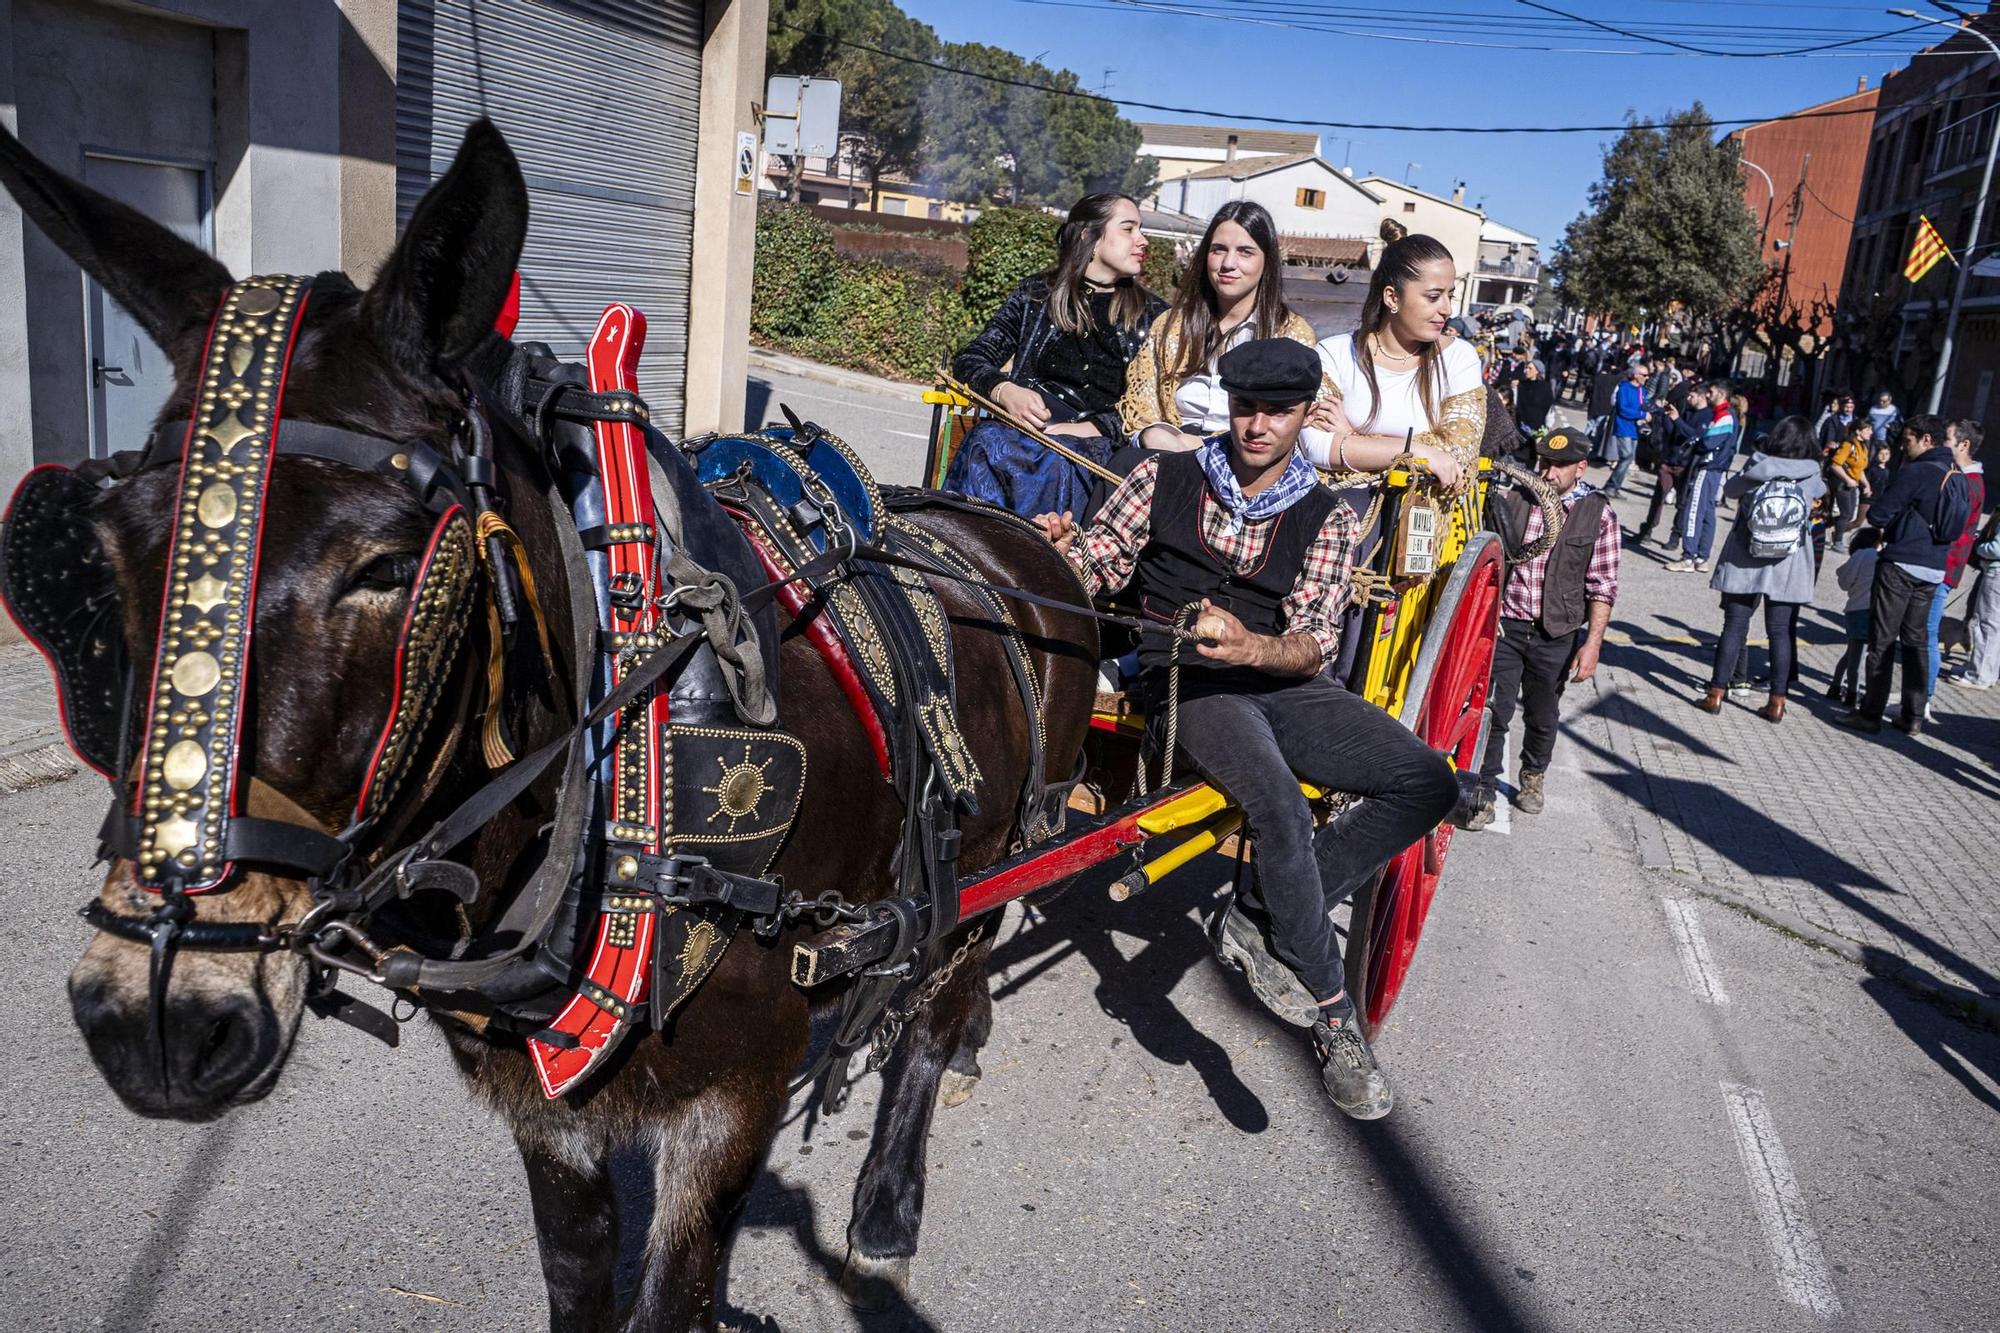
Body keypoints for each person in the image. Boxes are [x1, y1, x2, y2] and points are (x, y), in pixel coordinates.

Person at [1033, 338, 1458, 1121]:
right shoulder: (1164, 475)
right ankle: (1335, 1016)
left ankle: (1264, 902)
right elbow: (1097, 562)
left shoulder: (1325, 516)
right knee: (1278, 804)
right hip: (1188, 682)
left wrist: (1253, 646)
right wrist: (1060, 553)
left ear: (1305, 414)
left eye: (1278, 410)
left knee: (1430, 779)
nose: (1257, 424)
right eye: (1244, 407)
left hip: (1285, 682)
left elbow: (1315, 641)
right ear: (1227, 405)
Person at [943, 193, 1165, 517]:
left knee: (1060, 458)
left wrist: (1094, 428)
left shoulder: (1154, 315)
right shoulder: (1036, 295)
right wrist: (1006, 391)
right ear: (1089, 235)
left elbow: (1154, 408)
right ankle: (961, 554)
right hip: (1023, 434)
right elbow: (970, 359)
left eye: (1140, 229)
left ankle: (1037, 559)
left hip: (1098, 448)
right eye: (1129, 229)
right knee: (987, 438)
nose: (1142, 240)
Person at [1465, 426, 1618, 829]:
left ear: (1581, 468)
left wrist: (1593, 645)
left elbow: (1602, 586)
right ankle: (1482, 788)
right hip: (1507, 625)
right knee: (1493, 708)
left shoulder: (1597, 513)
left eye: (1558, 467)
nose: (1547, 473)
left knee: (1542, 711)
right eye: (1544, 463)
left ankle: (1533, 775)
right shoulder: (1515, 499)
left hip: (1556, 631)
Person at [1117, 201, 1321, 459]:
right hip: (1166, 452)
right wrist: (1153, 434)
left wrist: (1199, 447)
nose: (1228, 263)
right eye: (1219, 250)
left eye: (1245, 252)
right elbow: (1143, 409)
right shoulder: (1171, 325)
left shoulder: (1291, 334)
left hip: (1245, 459)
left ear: (1266, 261)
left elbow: (1295, 422)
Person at [1838, 413, 1971, 736]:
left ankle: (1870, 714)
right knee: (1917, 641)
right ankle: (1913, 716)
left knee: (1882, 640)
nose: (1903, 446)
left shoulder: (1917, 471)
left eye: (1908, 440)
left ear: (1927, 440)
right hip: (1934, 567)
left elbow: (1880, 514)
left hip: (1900, 565)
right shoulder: (1957, 475)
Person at [1693, 416, 1825, 723]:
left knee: (1734, 626)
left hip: (1746, 554)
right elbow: (1818, 496)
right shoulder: (1811, 472)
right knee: (1779, 632)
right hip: (1789, 560)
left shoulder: (1757, 464)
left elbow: (1731, 490)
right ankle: (1777, 701)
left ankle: (1715, 694)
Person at [1928, 419, 1986, 701]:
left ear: (1964, 445)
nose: (1942, 443)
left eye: (1947, 439)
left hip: (1942, 567)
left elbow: (1952, 529)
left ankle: (1921, 700)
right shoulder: (1962, 478)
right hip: (1941, 565)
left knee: (1927, 637)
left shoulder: (1968, 483)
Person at [1664, 381, 1742, 573]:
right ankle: (1701, 557)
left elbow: (1707, 442)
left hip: (1708, 468)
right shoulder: (1722, 415)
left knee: (1694, 511)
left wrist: (1699, 439)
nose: (1708, 395)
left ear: (1722, 394)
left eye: (1711, 392)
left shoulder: (1725, 415)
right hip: (1714, 469)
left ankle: (1688, 557)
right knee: (1707, 513)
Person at [1638, 380, 1711, 547]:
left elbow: (1694, 436)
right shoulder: (1687, 411)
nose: (1688, 397)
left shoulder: (1707, 415)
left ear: (1701, 397)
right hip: (1670, 461)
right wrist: (1667, 418)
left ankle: (1675, 536)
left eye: (1692, 395)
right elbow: (1674, 432)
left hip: (1685, 465)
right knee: (1658, 498)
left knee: (1682, 503)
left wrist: (1677, 419)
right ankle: (1647, 530)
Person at [1829, 527, 1883, 707]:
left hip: (1854, 610)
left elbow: (1844, 580)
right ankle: (1852, 693)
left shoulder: (1859, 556)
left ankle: (1835, 686)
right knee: (1857, 657)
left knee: (1851, 653)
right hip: (1869, 611)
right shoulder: (1877, 557)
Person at [1951, 507, 2000, 689]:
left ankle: (1979, 675)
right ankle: (1986, 670)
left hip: (1996, 574)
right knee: (1994, 627)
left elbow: (1996, 549)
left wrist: (1979, 547)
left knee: (1987, 625)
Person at [1826, 419, 1874, 552]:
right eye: (1867, 429)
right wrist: (1847, 479)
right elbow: (1835, 465)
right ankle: (1837, 541)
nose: (1871, 432)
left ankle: (1832, 528)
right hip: (1842, 483)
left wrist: (1866, 484)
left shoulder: (1863, 446)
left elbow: (1860, 469)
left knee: (1849, 514)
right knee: (1846, 513)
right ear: (1858, 431)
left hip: (1853, 483)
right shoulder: (1848, 444)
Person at [1605, 362, 1650, 496]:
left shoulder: (1642, 391)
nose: (1647, 378)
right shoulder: (1624, 388)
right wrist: (1641, 414)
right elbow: (1623, 409)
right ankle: (1612, 486)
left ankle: (1614, 487)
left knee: (1629, 459)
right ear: (1636, 375)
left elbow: (1643, 406)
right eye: (1644, 375)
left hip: (1635, 429)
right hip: (1623, 426)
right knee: (1626, 456)